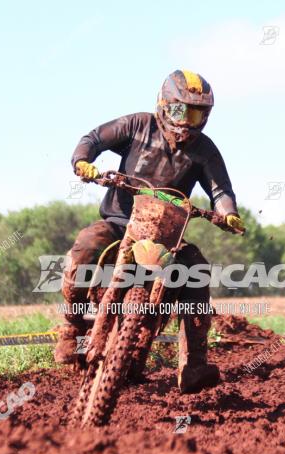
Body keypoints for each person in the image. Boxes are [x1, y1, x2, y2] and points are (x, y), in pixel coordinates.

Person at [55, 69, 244, 393]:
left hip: (168, 236)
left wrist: (228, 214)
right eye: (179, 110)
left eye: (196, 113)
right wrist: (83, 161)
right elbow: (94, 139)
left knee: (196, 270)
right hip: (119, 223)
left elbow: (220, 189)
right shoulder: (138, 126)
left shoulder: (205, 150)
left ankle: (194, 364)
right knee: (87, 245)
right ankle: (71, 327)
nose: (187, 121)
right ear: (164, 105)